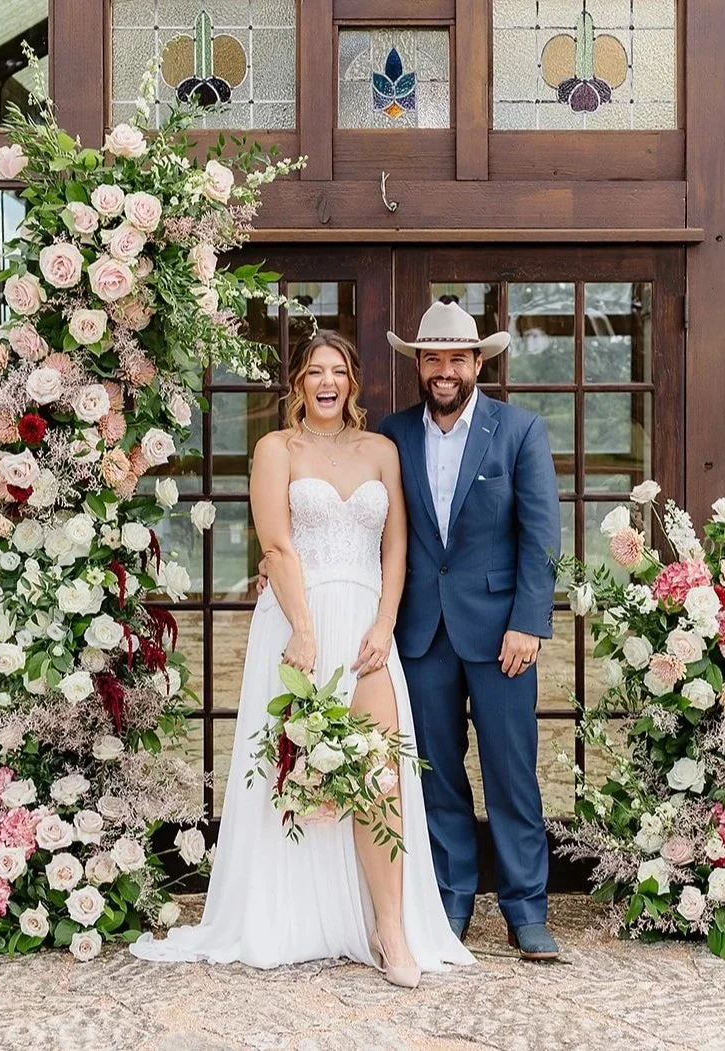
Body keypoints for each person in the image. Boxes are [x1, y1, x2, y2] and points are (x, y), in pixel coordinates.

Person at [130, 330, 474, 986]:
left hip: (368, 625)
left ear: (351, 382)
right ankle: (289, 916)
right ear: (297, 382)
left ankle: (390, 928)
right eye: (314, 371)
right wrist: (305, 630)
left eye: (337, 371)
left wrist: (382, 623)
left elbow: (396, 547)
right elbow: (277, 545)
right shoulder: (274, 449)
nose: (325, 381)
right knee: (294, 770)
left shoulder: (380, 450)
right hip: (296, 622)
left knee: (379, 772)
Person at [379, 301, 562, 960]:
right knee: (435, 773)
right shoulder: (391, 434)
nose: (444, 370)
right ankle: (450, 896)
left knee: (511, 772)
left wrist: (528, 622)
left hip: (501, 636)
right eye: (432, 358)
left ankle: (524, 907)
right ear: (419, 365)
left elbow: (540, 535)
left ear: (478, 362)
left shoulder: (518, 430)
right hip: (420, 632)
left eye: (457, 357)